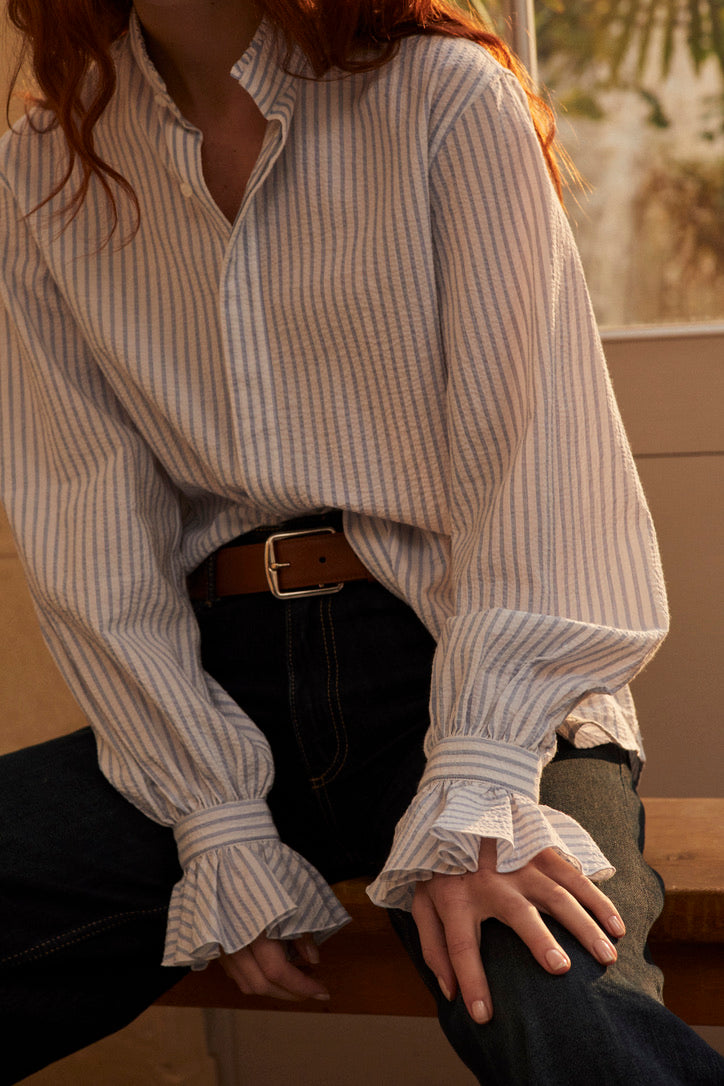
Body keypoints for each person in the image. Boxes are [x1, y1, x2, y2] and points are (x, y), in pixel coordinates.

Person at [1, 1, 722, 1083]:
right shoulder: (46, 165)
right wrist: (214, 818)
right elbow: (90, 532)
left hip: (470, 676)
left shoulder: (441, 96)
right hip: (213, 700)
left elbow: (538, 475)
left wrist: (478, 775)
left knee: (555, 1005)